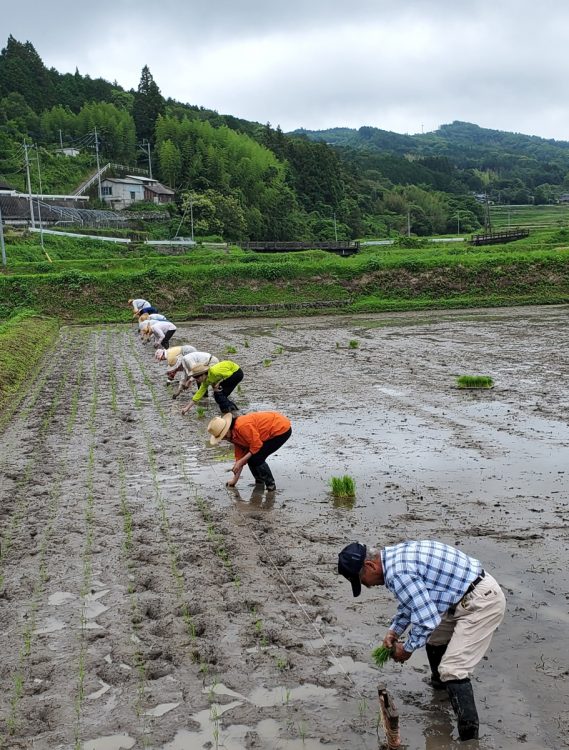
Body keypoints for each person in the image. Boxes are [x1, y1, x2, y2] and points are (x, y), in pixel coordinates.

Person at [337, 540, 506, 741]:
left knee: (453, 669)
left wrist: (407, 649)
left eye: (362, 580)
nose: (367, 586)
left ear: (370, 566)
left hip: (482, 601)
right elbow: (413, 602)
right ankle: (442, 693)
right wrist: (394, 631)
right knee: (434, 639)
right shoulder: (393, 560)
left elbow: (427, 620)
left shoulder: (398, 573)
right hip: (460, 597)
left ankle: (469, 740)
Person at [207, 411, 292, 491]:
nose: (224, 439)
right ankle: (260, 482)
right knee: (251, 458)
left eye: (224, 436)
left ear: (227, 428)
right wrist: (234, 480)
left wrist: (241, 461)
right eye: (222, 438)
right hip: (265, 433)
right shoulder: (233, 436)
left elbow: (256, 445)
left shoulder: (242, 426)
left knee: (257, 458)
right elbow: (240, 458)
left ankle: (271, 485)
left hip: (280, 428)